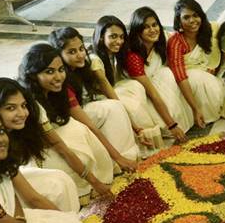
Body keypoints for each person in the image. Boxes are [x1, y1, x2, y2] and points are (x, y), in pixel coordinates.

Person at [18, 43, 114, 202]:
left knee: (79, 129)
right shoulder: (32, 103)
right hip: (34, 157)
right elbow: (60, 148)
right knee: (77, 151)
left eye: (61, 70)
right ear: (33, 74)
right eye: (49, 72)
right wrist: (95, 182)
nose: (58, 77)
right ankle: (81, 192)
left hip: (51, 143)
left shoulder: (56, 92)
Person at [0, 77, 80, 213]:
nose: (22, 113)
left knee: (61, 180)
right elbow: (32, 198)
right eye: (10, 108)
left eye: (23, 105)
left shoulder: (14, 131)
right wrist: (68, 221)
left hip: (8, 182)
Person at [48, 27, 140, 171]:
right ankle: (118, 161)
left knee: (117, 104)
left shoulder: (82, 67)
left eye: (81, 49)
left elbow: (103, 88)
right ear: (58, 55)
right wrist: (119, 158)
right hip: (63, 125)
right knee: (112, 108)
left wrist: (135, 126)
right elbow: (89, 124)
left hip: (78, 113)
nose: (80, 55)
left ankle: (125, 157)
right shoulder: (61, 79)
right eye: (72, 52)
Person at [91, 15, 156, 151]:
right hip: (96, 103)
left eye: (121, 37)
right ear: (101, 37)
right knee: (129, 107)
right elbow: (112, 96)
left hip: (109, 94)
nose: (119, 41)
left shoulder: (114, 54)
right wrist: (135, 127)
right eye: (113, 36)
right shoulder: (95, 60)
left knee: (135, 86)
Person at [125, 6, 189, 142]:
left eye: (155, 25)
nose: (153, 30)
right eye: (146, 27)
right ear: (138, 31)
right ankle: (165, 123)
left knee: (170, 74)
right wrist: (172, 125)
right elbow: (152, 94)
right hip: (141, 98)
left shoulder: (159, 42)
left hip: (157, 94)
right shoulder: (133, 57)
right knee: (165, 74)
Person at [167, 0, 224, 128]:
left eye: (195, 15)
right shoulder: (176, 42)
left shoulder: (210, 31)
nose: (192, 20)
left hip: (212, 78)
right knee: (196, 77)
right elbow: (180, 77)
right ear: (179, 21)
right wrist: (195, 109)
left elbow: (222, 55)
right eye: (186, 17)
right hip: (188, 84)